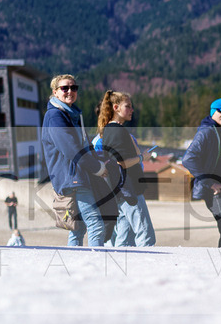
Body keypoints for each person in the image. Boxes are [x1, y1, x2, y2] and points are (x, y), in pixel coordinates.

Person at [40, 74, 112, 247]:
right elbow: (71, 149)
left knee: (78, 229)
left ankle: (74, 268)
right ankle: (98, 267)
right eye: (65, 88)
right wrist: (97, 167)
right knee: (96, 225)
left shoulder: (70, 114)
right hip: (73, 179)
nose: (70, 91)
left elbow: (83, 145)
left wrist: (99, 160)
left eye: (74, 87)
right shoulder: (55, 116)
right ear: (55, 92)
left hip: (76, 176)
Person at [96, 90, 156, 247]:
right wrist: (142, 157)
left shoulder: (110, 130)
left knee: (125, 239)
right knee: (146, 235)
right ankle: (147, 269)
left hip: (121, 191)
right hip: (129, 190)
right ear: (116, 107)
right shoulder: (117, 130)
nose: (132, 110)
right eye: (127, 106)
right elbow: (121, 162)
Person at [182, 98, 221, 248]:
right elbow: (188, 159)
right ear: (212, 112)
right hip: (217, 191)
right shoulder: (206, 133)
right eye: (219, 110)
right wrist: (209, 183)